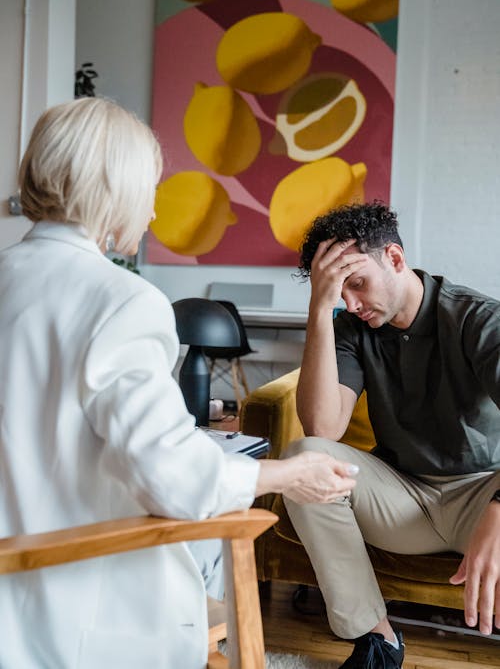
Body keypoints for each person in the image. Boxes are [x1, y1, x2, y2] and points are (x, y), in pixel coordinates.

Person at [0, 98, 359, 669]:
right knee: (218, 533)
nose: (152, 211)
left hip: (15, 570)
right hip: (61, 605)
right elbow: (175, 482)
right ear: (115, 191)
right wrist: (290, 475)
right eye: (150, 189)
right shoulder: (120, 301)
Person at [283, 201, 500, 669]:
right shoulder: (348, 326)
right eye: (338, 291)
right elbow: (323, 429)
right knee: (305, 458)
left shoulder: (478, 319)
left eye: (356, 283)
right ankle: (377, 641)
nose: (351, 303)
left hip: (483, 495)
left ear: (396, 260)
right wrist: (320, 309)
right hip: (404, 500)